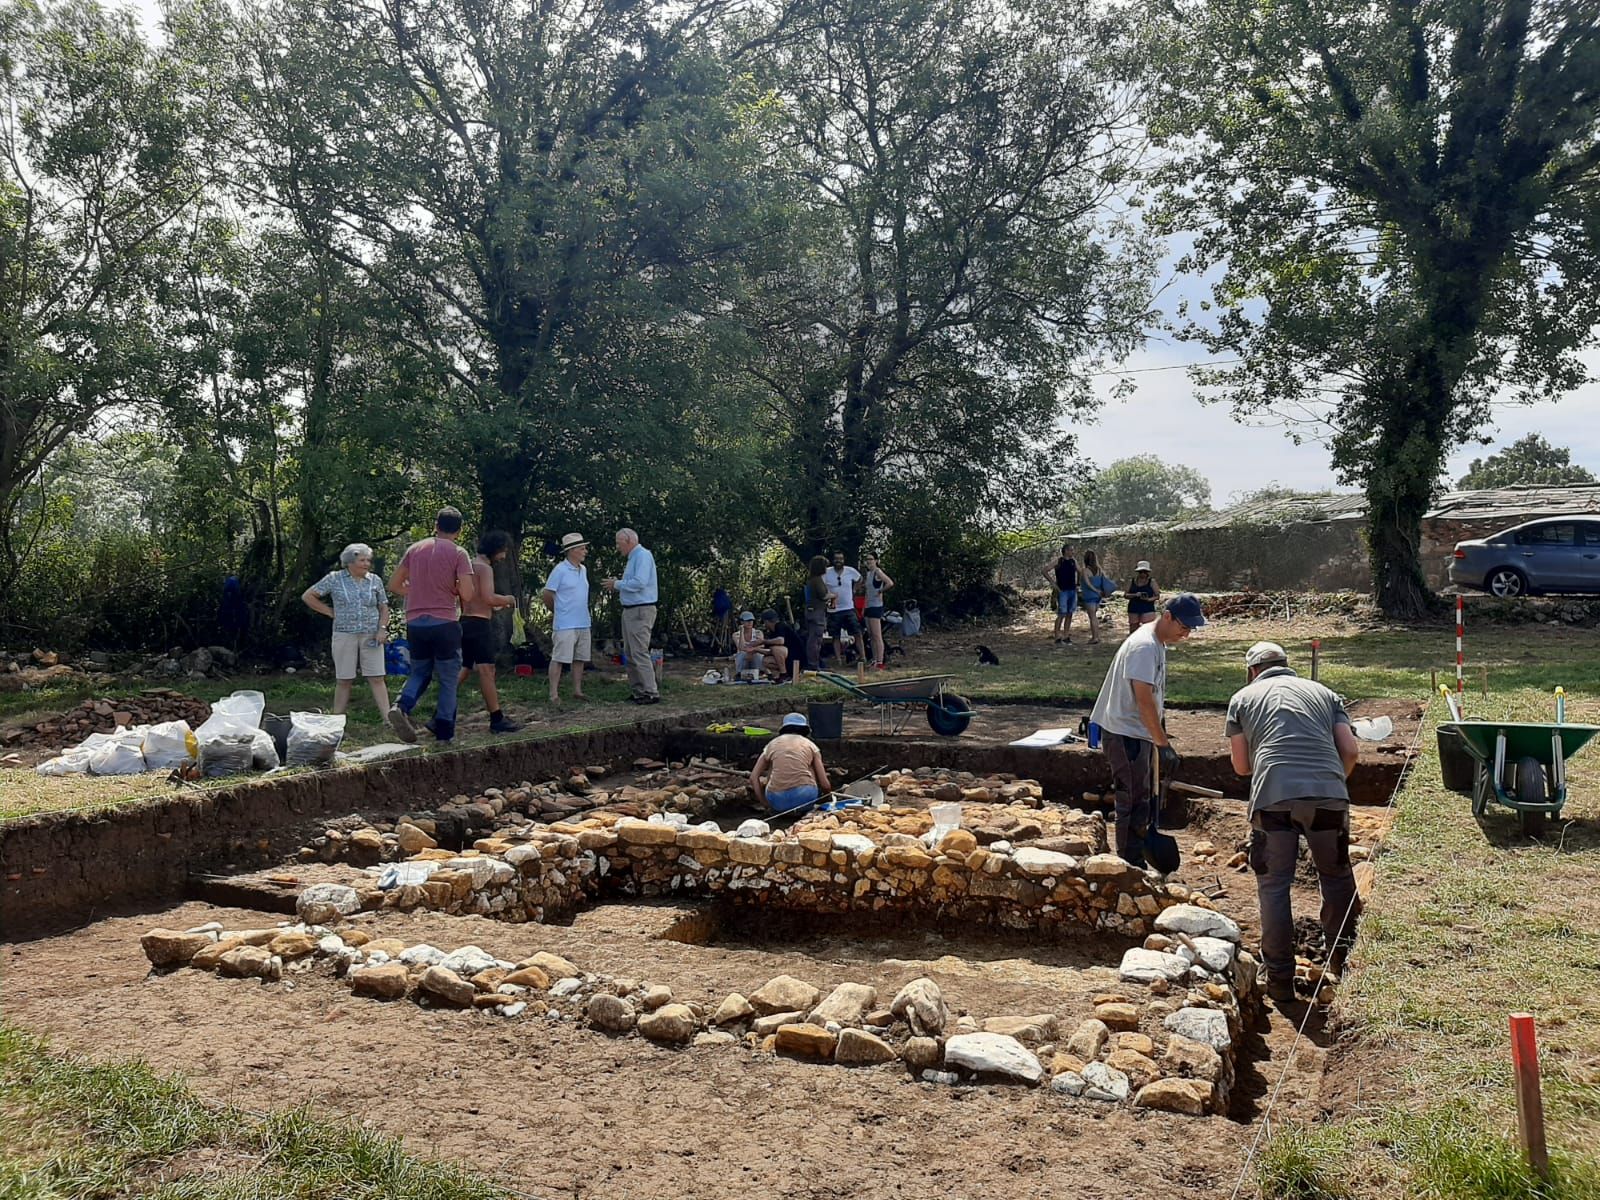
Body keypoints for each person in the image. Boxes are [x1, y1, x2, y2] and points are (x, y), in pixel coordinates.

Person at [1226, 641, 1361, 1006]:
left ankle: (1281, 981)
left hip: (1274, 799)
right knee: (1336, 877)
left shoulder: (1242, 698)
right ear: (1288, 665)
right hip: (1329, 796)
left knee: (1274, 886)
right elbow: (1350, 751)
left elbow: (1241, 767)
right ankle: (1345, 961)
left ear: (1252, 670)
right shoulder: (1326, 694)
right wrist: (1332, 783)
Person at [1088, 593, 1207, 864]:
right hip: (1125, 732)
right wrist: (1163, 744)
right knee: (1131, 797)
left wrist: (1158, 734)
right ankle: (1128, 862)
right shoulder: (1144, 647)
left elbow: (1151, 697)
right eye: (1184, 627)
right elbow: (1143, 700)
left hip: (1135, 731)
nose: (1186, 635)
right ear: (1167, 617)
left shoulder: (1156, 641)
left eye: (1190, 629)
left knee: (1141, 795)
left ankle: (1137, 851)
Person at [387, 508, 477, 743]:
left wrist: (417, 590)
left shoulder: (414, 549)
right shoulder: (459, 553)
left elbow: (394, 584)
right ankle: (444, 731)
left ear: (436, 525)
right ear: (459, 530)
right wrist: (453, 588)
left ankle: (401, 705)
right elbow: (467, 593)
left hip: (415, 622)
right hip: (444, 622)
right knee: (448, 678)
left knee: (420, 671)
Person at [302, 543, 391, 716]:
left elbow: (384, 607)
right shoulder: (334, 578)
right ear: (349, 562)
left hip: (371, 634)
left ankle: (388, 718)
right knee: (344, 679)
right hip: (344, 633)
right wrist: (330, 612)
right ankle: (337, 718)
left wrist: (382, 629)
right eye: (362, 560)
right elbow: (308, 596)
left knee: (377, 676)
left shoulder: (375, 580)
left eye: (368, 560)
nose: (366, 564)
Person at [457, 530, 521, 734]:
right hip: (479, 624)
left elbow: (469, 595)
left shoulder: (467, 566)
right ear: (495, 549)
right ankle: (496, 718)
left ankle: (440, 712)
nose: (503, 557)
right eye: (503, 551)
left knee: (465, 668)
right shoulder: (484, 568)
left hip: (465, 620)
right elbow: (488, 597)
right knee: (487, 670)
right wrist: (508, 599)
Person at [604, 528, 659, 705]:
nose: (618, 547)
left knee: (639, 651)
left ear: (628, 541)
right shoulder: (633, 557)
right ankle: (638, 691)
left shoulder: (642, 555)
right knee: (629, 652)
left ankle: (650, 691)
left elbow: (640, 582)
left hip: (640, 610)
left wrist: (617, 584)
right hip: (630, 610)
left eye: (619, 544)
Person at [541, 532, 592, 705]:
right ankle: (553, 694)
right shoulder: (560, 570)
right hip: (565, 623)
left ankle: (577, 690)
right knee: (560, 658)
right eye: (582, 548)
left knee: (580, 658)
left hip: (583, 621)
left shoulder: (583, 570)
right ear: (572, 551)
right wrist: (557, 611)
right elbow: (547, 594)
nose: (585, 551)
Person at [749, 712, 832, 814]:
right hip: (804, 799)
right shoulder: (811, 746)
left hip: (777, 801)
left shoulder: (771, 745)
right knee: (809, 767)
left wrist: (765, 803)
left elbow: (753, 777)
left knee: (773, 764)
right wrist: (828, 798)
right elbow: (825, 785)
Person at [823, 551, 862, 665]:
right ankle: (838, 659)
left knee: (857, 632)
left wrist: (854, 590)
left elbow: (860, 579)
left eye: (840, 558)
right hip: (834, 609)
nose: (838, 561)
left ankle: (862, 656)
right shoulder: (826, 572)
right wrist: (827, 595)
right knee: (835, 635)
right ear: (833, 560)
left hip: (848, 607)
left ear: (843, 560)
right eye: (836, 559)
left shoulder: (850, 571)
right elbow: (820, 586)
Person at [860, 552, 895, 669]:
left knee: (877, 635)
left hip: (876, 606)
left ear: (876, 560)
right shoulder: (868, 574)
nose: (869, 562)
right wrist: (864, 608)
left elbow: (890, 582)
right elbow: (866, 592)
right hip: (868, 606)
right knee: (870, 634)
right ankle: (874, 660)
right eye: (867, 559)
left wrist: (881, 591)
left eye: (871, 559)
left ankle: (880, 661)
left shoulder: (877, 572)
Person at [802, 555, 834, 670]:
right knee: (815, 640)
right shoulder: (817, 580)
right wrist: (833, 595)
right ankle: (813, 665)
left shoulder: (811, 579)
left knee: (813, 639)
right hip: (817, 613)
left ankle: (815, 663)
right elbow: (823, 595)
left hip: (811, 612)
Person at [1044, 544, 1079, 644]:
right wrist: (1053, 583)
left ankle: (1066, 635)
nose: (1073, 552)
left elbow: (1080, 571)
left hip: (1072, 590)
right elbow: (1045, 570)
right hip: (1062, 590)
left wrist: (1079, 583)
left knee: (1070, 613)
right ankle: (1057, 636)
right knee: (1061, 613)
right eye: (1071, 550)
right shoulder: (1059, 561)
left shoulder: (1073, 561)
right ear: (1066, 551)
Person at [1077, 550, 1113, 645]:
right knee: (1094, 617)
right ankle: (1097, 636)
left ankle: (1095, 637)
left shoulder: (1085, 571)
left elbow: (1087, 583)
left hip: (1090, 595)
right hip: (1098, 596)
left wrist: (1094, 590)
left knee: (1092, 617)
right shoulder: (1099, 570)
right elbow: (1104, 580)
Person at [759, 609, 799, 680]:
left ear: (766, 621)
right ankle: (778, 676)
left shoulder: (780, 626)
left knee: (776, 648)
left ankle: (784, 674)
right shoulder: (772, 633)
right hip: (786, 660)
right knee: (766, 661)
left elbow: (781, 641)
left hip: (796, 658)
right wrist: (755, 649)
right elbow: (769, 651)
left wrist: (763, 641)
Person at [1126, 560, 1159, 634]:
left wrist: (1148, 599)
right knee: (1133, 629)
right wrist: (1135, 595)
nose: (1143, 574)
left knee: (1148, 629)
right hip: (1134, 607)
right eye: (1141, 572)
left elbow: (1157, 596)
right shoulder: (1131, 581)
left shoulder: (1152, 582)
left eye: (1145, 572)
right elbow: (1126, 595)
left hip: (1147, 608)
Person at [732, 611, 766, 678]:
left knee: (758, 654)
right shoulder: (736, 635)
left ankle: (761, 672)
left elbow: (761, 646)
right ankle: (739, 673)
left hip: (754, 655)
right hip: (744, 657)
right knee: (742, 653)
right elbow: (740, 647)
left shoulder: (758, 633)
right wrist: (741, 631)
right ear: (742, 622)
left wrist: (750, 650)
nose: (750, 622)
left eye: (751, 620)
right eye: (747, 620)